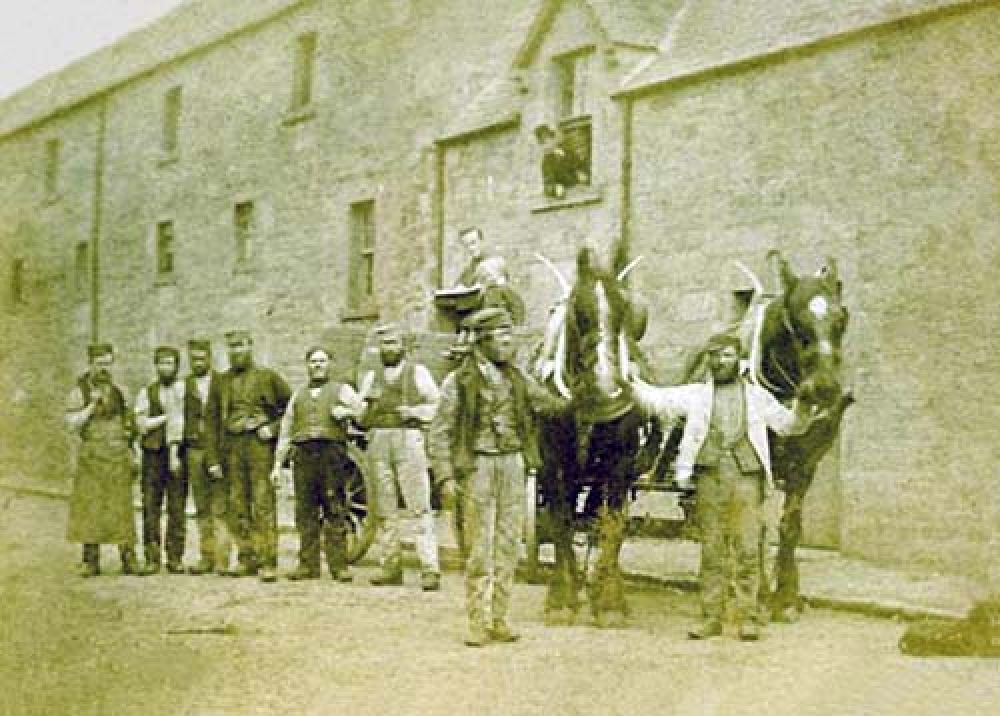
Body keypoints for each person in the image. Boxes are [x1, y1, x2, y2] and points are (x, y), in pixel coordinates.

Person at [622, 333, 818, 641]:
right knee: (712, 550)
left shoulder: (758, 397)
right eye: (714, 356)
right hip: (709, 477)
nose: (720, 362)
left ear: (738, 360)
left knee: (749, 548)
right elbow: (657, 401)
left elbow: (789, 426)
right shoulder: (696, 395)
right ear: (709, 360)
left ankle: (748, 616)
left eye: (726, 356)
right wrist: (628, 379)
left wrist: (803, 407)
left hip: (746, 479)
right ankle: (711, 617)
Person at [428, 307, 563, 646]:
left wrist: (581, 398)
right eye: (501, 338)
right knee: (478, 547)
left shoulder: (519, 378)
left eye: (510, 338)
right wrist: (445, 477)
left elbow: (547, 405)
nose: (508, 345)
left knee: (507, 544)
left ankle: (500, 619)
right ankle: (477, 621)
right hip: (477, 467)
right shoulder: (459, 381)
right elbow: (440, 433)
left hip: (513, 464)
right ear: (483, 342)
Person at [357, 323, 441, 590]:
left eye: (393, 343)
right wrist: (362, 408)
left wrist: (415, 412)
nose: (389, 348)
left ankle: (429, 569)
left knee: (419, 505)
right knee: (385, 508)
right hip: (379, 440)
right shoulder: (372, 377)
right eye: (384, 344)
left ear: (403, 346)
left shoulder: (417, 372)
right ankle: (390, 566)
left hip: (408, 439)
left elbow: (438, 404)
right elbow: (360, 415)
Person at [203, 330, 291, 582]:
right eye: (231, 347)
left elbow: (291, 409)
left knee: (262, 503)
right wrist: (213, 459)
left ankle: (267, 561)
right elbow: (210, 422)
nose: (236, 351)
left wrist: (272, 429)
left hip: (259, 447)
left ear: (250, 346)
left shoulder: (267, 377)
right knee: (237, 504)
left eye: (240, 345)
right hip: (231, 447)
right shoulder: (221, 381)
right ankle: (246, 558)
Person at [271, 345, 364, 582]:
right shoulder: (298, 395)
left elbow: (363, 412)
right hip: (303, 455)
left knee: (334, 508)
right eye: (313, 361)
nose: (318, 365)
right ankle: (308, 566)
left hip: (331, 454)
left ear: (329, 364)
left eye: (322, 361)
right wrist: (276, 465)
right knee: (305, 512)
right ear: (307, 366)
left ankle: (338, 566)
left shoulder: (342, 390)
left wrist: (346, 412)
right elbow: (285, 431)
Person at [64, 343, 139, 577]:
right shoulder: (78, 391)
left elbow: (131, 424)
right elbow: (70, 424)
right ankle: (90, 560)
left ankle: (128, 558)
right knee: (91, 507)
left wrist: (132, 452)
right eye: (100, 364)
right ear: (90, 364)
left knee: (122, 507)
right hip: (92, 457)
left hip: (118, 454)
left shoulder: (120, 391)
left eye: (108, 363)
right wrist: (90, 406)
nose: (104, 369)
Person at [134, 345, 187, 575]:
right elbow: (141, 424)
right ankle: (152, 558)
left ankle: (175, 558)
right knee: (150, 506)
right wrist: (167, 417)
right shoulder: (147, 392)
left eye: (170, 363)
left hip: (177, 455)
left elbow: (188, 420)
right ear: (156, 366)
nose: (166, 367)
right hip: (153, 454)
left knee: (177, 507)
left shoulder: (184, 390)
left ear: (176, 365)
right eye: (161, 363)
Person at [182, 338, 233, 576]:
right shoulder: (186, 385)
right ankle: (206, 557)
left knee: (221, 506)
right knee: (201, 506)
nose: (198, 363)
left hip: (220, 451)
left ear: (210, 359)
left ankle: (223, 559)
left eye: (202, 358)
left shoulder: (222, 382)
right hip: (194, 450)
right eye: (194, 359)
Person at [534, 123, 589, 199]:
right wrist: (556, 188)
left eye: (547, 141)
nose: (546, 145)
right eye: (542, 144)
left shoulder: (569, 152)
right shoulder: (546, 163)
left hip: (582, 190)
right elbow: (548, 184)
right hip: (568, 196)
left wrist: (582, 173)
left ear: (553, 139)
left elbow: (581, 166)